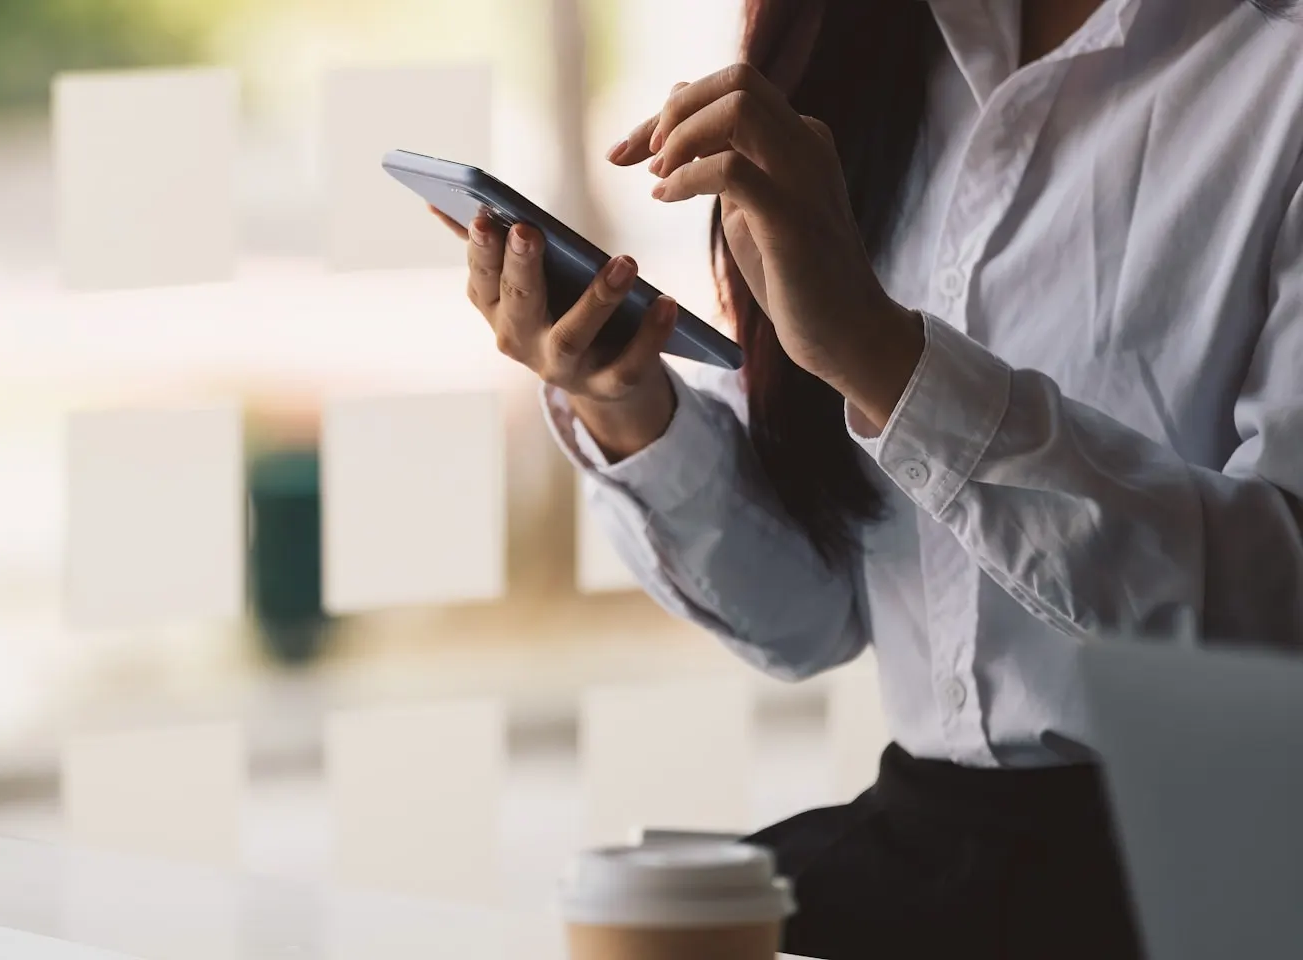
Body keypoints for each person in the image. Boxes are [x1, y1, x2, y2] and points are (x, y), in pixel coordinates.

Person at [439, 0, 1303, 956]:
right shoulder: (860, 37)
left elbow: (1279, 620)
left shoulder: (1275, 65)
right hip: (931, 850)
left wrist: (880, 356)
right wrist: (624, 400)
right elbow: (810, 617)